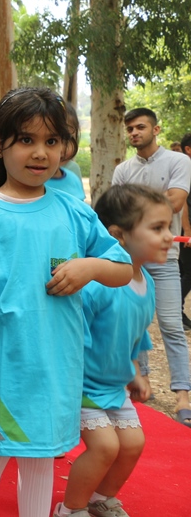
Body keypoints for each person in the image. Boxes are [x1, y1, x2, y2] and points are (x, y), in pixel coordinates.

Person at [0, 87, 132, 517]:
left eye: (52, 142)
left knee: (41, 453)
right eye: (27, 140)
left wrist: (89, 266)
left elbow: (122, 268)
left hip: (55, 361)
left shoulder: (74, 212)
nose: (41, 153)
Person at [55, 184, 166, 517]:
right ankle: (71, 509)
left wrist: (135, 372)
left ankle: (100, 499)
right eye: (157, 227)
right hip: (82, 386)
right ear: (119, 235)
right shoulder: (97, 285)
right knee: (104, 448)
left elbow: (135, 335)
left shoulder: (148, 283)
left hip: (114, 388)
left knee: (132, 445)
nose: (168, 236)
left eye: (169, 227)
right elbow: (70, 334)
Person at [111, 107, 191, 426]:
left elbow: (174, 202)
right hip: (128, 260)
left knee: (172, 325)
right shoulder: (122, 170)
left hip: (164, 256)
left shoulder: (179, 161)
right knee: (133, 324)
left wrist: (133, 207)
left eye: (140, 127)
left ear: (156, 130)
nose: (134, 133)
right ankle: (139, 384)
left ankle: (183, 397)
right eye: (130, 128)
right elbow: (116, 216)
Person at [46, 100, 86, 201]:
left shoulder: (73, 178)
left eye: (67, 139)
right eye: (51, 141)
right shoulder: (27, 185)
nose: (60, 149)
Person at [179, 132, 191, 330]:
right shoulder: (185, 170)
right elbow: (182, 203)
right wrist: (188, 231)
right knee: (188, 272)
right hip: (187, 232)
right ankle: (176, 311)